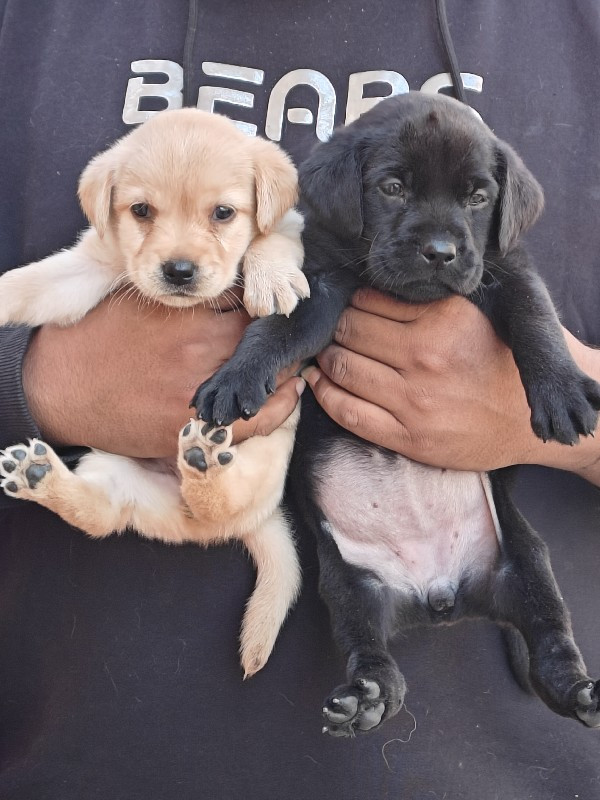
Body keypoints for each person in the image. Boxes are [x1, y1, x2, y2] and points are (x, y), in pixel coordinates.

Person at [1, 1, 599, 797]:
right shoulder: (27, 26)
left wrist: (568, 420)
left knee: (523, 574)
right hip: (81, 767)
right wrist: (38, 386)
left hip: (512, 774)